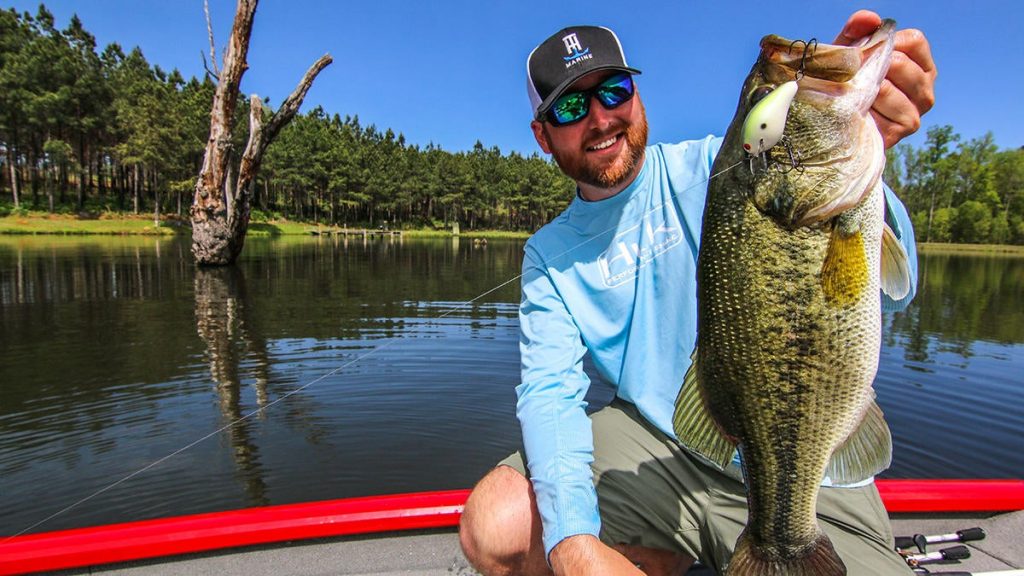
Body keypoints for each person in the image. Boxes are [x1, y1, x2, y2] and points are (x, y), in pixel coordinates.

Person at [459, 10, 936, 576]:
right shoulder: (547, 252)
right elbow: (549, 396)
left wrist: (868, 140)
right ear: (542, 135)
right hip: (659, 445)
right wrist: (571, 541)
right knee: (498, 526)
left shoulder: (728, 165)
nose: (600, 116)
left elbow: (890, 291)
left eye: (614, 90)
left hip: (810, 455)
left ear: (636, 96)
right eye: (570, 106)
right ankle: (672, 550)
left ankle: (730, 542)